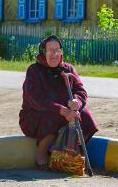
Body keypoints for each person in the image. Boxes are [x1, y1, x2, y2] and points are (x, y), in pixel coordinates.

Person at [19, 35, 99, 170]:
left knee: (84, 114)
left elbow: (81, 91)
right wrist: (63, 111)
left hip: (65, 115)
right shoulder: (34, 70)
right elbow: (37, 100)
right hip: (35, 117)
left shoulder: (68, 69)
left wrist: (77, 103)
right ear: (43, 52)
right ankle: (41, 155)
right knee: (52, 115)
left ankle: (69, 151)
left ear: (61, 52)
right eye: (50, 50)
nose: (54, 54)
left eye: (57, 50)